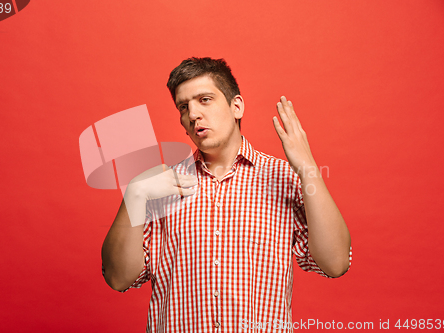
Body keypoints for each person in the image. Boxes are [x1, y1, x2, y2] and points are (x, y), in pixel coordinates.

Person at [101, 57, 351, 332]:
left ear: (236, 107)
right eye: (183, 107)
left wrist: (308, 169)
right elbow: (118, 278)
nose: (193, 114)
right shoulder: (159, 186)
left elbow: (335, 263)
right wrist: (134, 194)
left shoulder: (284, 178)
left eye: (204, 99)